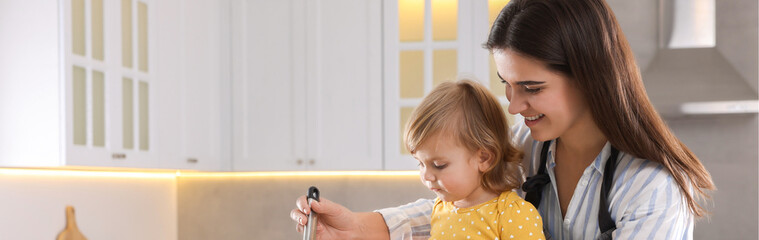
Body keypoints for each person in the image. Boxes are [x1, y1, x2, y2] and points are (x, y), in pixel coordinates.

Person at [290, 0, 715, 239]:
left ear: (589, 76)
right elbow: (465, 206)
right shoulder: (526, 143)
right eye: (506, 84)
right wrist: (361, 228)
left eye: (531, 88)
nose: (513, 105)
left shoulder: (650, 189)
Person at [403, 79, 544, 239]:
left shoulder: (512, 213)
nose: (426, 175)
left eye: (439, 165)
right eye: (420, 163)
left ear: (484, 158)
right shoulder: (441, 208)